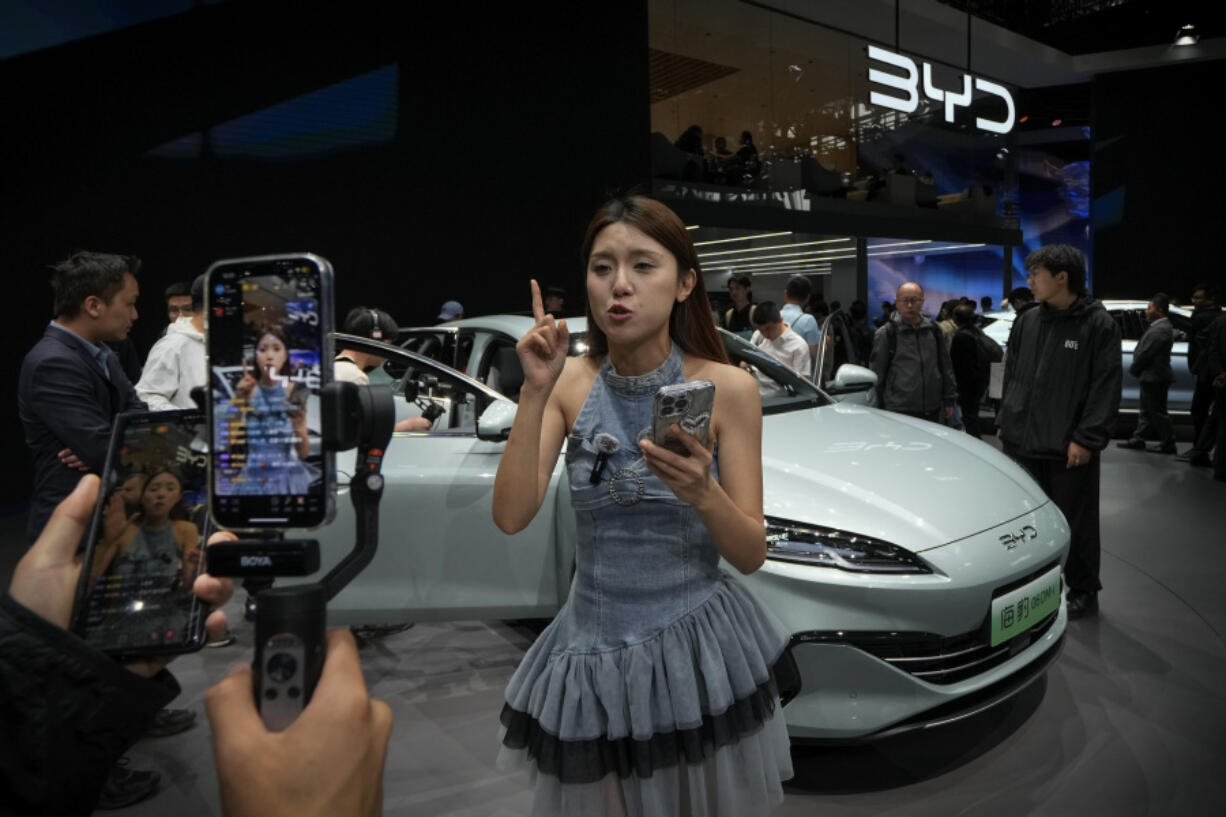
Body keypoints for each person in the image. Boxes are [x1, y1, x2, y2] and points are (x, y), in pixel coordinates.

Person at [492, 196, 792, 815]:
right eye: (602, 268)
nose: (618, 286)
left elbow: (751, 552)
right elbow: (511, 515)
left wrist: (703, 493)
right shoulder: (568, 382)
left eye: (642, 266)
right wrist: (533, 392)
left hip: (694, 652)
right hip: (590, 649)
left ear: (685, 283)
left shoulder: (729, 388)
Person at [0, 475, 233, 815]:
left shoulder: (185, 530)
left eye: (169, 488)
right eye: (154, 488)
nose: (160, 495)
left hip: (156, 617)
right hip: (116, 618)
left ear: (179, 495)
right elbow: (96, 573)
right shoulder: (124, 531)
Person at [997, 244, 1121, 619]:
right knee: (1024, 521)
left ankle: (1083, 588)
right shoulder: (1028, 320)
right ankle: (1033, 584)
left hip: (1069, 445)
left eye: (1036, 274)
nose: (1030, 281)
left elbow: (1105, 386)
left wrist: (1086, 438)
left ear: (1062, 277)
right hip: (1021, 440)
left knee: (1075, 520)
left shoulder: (1098, 325)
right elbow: (1013, 374)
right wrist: (1005, 416)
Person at [18, 251, 145, 543]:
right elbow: (101, 449)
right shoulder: (52, 363)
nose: (135, 315)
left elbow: (140, 418)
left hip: (110, 520)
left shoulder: (105, 354)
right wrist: (112, 440)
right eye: (130, 303)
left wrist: (112, 439)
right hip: (71, 531)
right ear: (93, 306)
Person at [232, 325, 313, 495]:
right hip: (253, 478)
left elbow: (303, 453)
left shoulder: (293, 391)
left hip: (287, 479)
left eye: (276, 349)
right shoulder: (247, 390)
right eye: (263, 349)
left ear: (285, 356)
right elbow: (227, 440)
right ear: (255, 356)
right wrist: (237, 402)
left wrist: (298, 424)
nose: (269, 356)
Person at [869, 282, 957, 423]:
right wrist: (878, 407)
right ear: (897, 303)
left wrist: (949, 399)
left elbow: (945, 365)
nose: (910, 305)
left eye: (915, 300)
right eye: (905, 300)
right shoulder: (887, 333)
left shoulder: (934, 330)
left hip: (932, 407)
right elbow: (878, 373)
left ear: (922, 301)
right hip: (899, 409)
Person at [136, 274, 206, 410]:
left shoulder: (228, 342)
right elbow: (147, 396)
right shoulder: (171, 346)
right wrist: (186, 423)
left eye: (186, 309)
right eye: (173, 310)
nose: (180, 315)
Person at [1118, 293, 1176, 454]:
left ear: (1159, 310)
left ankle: (1169, 442)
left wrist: (1134, 368)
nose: (1146, 311)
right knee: (1146, 410)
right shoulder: (1159, 327)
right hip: (1152, 375)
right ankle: (1139, 438)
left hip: (1155, 376)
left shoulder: (1161, 329)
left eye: (1149, 308)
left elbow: (1146, 353)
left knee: (1157, 412)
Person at [1178, 283, 1221, 466]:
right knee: (1208, 412)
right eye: (1193, 298)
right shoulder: (1215, 316)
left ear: (1210, 299)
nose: (1195, 301)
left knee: (1201, 411)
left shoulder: (1205, 318)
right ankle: (1201, 450)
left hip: (1210, 372)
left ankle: (1200, 450)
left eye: (1198, 298)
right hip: (1210, 370)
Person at [949, 302, 996, 437]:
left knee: (969, 417)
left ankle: (975, 442)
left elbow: (957, 364)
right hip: (980, 381)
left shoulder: (961, 336)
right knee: (972, 415)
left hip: (967, 384)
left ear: (955, 318)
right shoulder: (978, 332)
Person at [750, 300, 812, 377]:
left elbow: (801, 382)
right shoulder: (758, 336)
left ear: (780, 320)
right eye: (761, 330)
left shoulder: (798, 345)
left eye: (768, 329)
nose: (766, 335)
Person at [780, 275, 820, 362]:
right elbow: (815, 355)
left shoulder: (774, 316)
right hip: (799, 374)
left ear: (785, 294)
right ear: (807, 298)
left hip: (774, 373)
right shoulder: (808, 320)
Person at [723, 272, 756, 339]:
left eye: (737, 288)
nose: (734, 292)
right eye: (731, 289)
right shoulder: (728, 315)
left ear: (747, 289)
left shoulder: (755, 311)